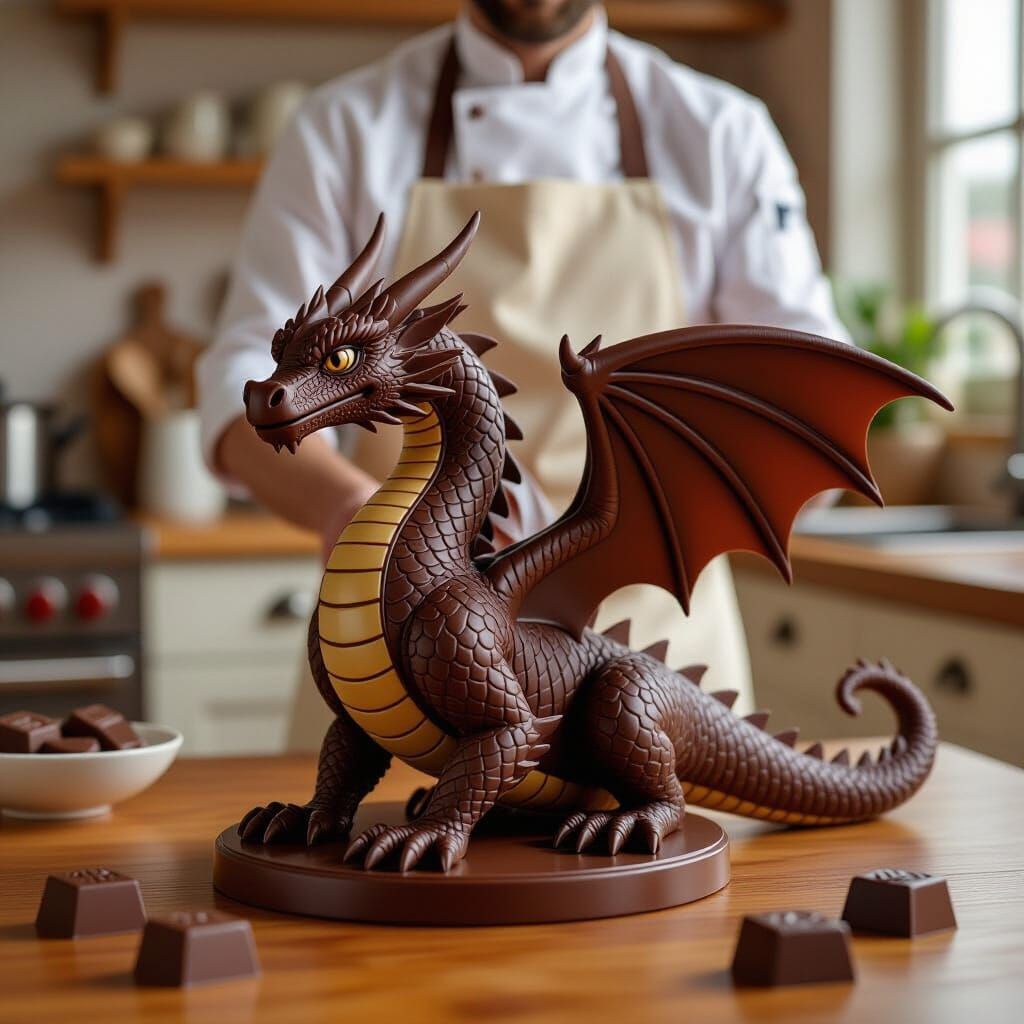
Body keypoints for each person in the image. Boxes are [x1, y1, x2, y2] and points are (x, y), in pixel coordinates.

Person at [198, 0, 848, 748]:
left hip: (648, 642)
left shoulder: (722, 133)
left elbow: (808, 393)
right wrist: (348, 508)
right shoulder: (341, 128)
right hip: (396, 619)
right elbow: (246, 374)